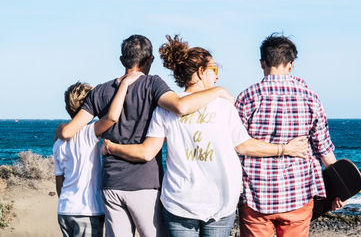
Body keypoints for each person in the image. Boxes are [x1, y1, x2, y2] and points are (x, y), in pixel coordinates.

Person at [101, 35, 310, 237]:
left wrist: (111, 146)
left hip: (179, 201)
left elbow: (147, 151)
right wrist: (284, 149)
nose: (217, 75)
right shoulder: (223, 105)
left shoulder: (164, 109)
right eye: (214, 69)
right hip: (220, 201)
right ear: (201, 72)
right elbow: (244, 146)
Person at [55, 34, 234, 237]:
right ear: (150, 60)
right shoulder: (152, 84)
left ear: (122, 60)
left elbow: (69, 131)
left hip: (111, 184)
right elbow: (179, 106)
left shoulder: (100, 91)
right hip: (144, 183)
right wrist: (218, 92)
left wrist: (60, 129)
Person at [236, 33, 345, 237]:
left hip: (255, 195)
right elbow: (324, 149)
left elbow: (236, 147)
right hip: (298, 193)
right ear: (291, 64)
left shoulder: (246, 97)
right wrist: (340, 188)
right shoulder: (310, 98)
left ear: (262, 63)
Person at [54, 72, 142, 237]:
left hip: (65, 210)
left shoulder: (58, 142)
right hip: (87, 209)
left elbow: (59, 182)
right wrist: (124, 85)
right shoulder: (89, 133)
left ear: (67, 108)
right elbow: (111, 118)